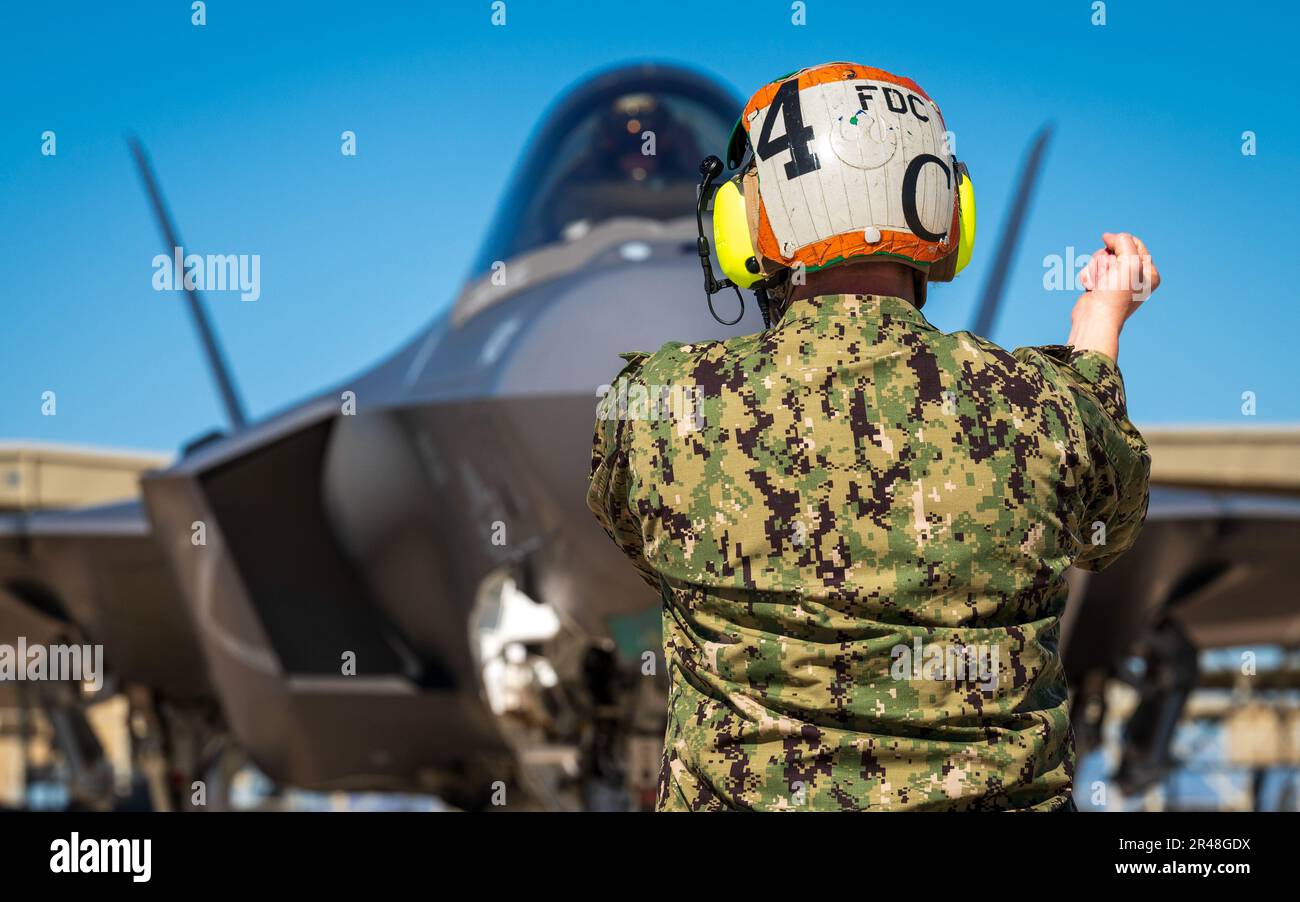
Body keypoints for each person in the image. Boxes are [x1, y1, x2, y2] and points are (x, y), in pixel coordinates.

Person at [586, 62, 1155, 810]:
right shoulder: (1041, 408)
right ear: (946, 218)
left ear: (746, 223)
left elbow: (640, 540)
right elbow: (1106, 526)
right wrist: (1097, 337)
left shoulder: (662, 406)